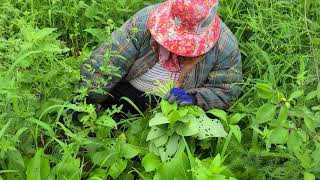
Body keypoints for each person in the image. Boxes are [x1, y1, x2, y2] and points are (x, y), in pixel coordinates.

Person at [80, 0, 243, 114]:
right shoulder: (144, 21)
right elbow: (107, 63)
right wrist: (86, 99)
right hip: (128, 90)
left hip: (173, 107)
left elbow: (226, 91)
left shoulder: (224, 46)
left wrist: (194, 98)